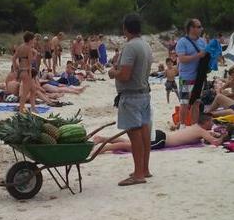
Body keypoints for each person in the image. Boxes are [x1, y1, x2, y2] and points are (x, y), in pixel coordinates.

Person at [108, 13, 152, 186]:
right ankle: (144, 169)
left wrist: (113, 73)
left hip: (131, 96)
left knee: (135, 134)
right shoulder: (146, 45)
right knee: (144, 132)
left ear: (126, 28)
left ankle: (138, 174)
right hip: (144, 93)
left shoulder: (130, 47)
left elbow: (125, 75)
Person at [93, 114, 225, 153]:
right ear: (206, 122)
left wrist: (213, 134)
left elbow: (208, 135)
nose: (212, 125)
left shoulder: (195, 127)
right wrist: (224, 136)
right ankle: (106, 147)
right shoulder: (201, 131)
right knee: (135, 147)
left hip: (161, 135)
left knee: (134, 142)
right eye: (211, 122)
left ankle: (102, 139)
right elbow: (215, 143)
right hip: (162, 141)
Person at [176, 18, 206, 128]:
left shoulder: (203, 41)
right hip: (186, 77)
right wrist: (198, 56)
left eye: (200, 26)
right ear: (191, 28)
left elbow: (205, 55)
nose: (201, 29)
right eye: (198, 27)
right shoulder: (182, 42)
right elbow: (182, 59)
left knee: (196, 103)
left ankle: (194, 127)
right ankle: (182, 126)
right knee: (184, 103)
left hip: (199, 77)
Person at [12, 31, 36, 112]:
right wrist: (35, 55)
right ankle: (21, 110)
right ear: (30, 40)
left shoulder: (20, 47)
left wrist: (15, 69)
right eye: (33, 39)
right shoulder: (28, 48)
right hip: (26, 72)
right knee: (25, 93)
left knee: (33, 90)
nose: (34, 41)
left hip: (21, 71)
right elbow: (30, 62)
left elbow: (13, 58)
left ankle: (33, 108)